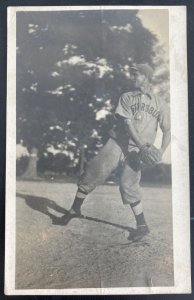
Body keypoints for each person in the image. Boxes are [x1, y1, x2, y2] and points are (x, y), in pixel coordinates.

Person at [59, 63, 171, 241]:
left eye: (136, 74)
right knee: (93, 170)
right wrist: (142, 145)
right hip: (118, 142)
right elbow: (127, 124)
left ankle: (142, 225)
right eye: (133, 74)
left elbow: (167, 130)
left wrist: (162, 151)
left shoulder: (160, 103)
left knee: (128, 183)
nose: (133, 77)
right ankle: (74, 209)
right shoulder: (126, 97)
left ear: (146, 77)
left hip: (137, 150)